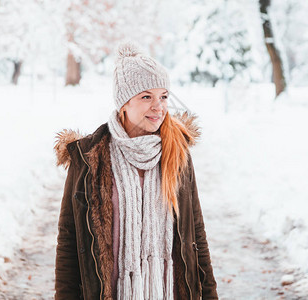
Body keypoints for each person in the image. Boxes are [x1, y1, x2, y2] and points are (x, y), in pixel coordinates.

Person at [54, 42, 218, 300]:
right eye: (146, 97)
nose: (159, 107)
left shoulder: (177, 152)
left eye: (164, 96)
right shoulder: (88, 159)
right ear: (124, 104)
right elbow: (69, 240)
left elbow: (195, 232)